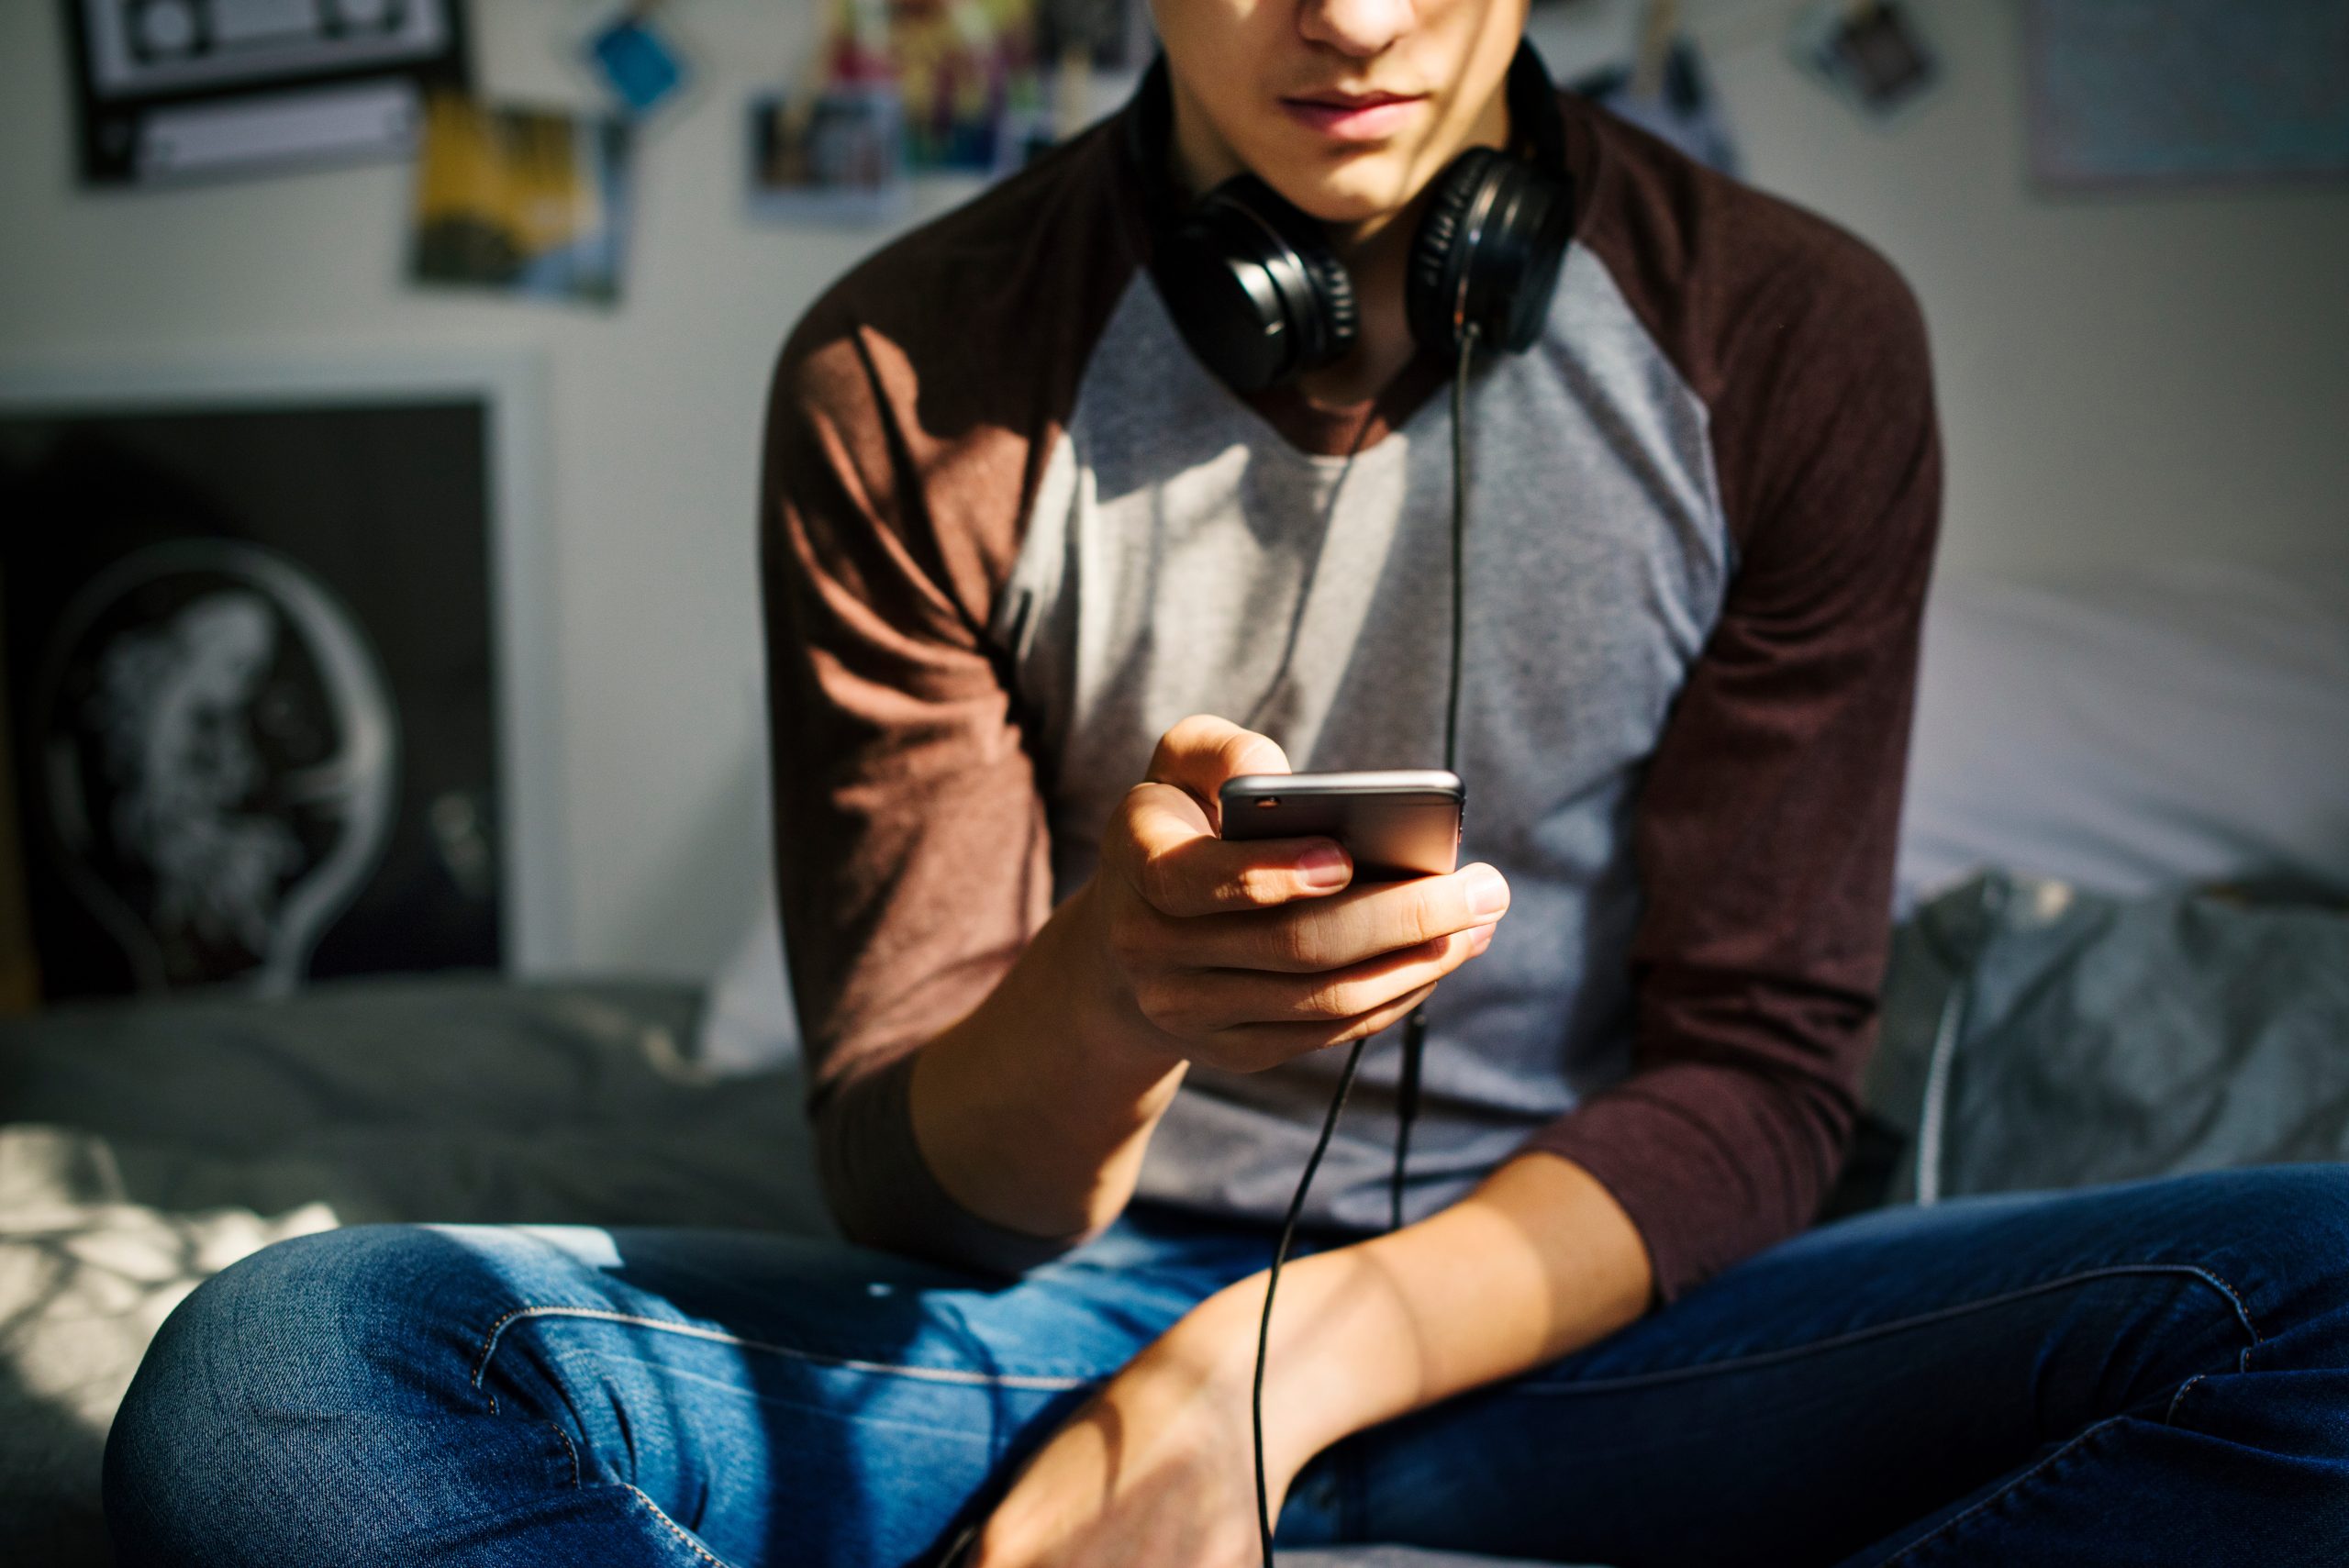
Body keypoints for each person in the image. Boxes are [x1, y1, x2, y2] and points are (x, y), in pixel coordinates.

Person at [105, 2, 2349, 1564]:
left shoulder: (1788, 334)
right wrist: (1120, 998)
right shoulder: (907, 377)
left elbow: (1763, 1081)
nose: (1349, 20)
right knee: (285, 1374)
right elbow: (907, 1188)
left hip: (1603, 1321)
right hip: (1043, 1329)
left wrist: (1256, 1388)